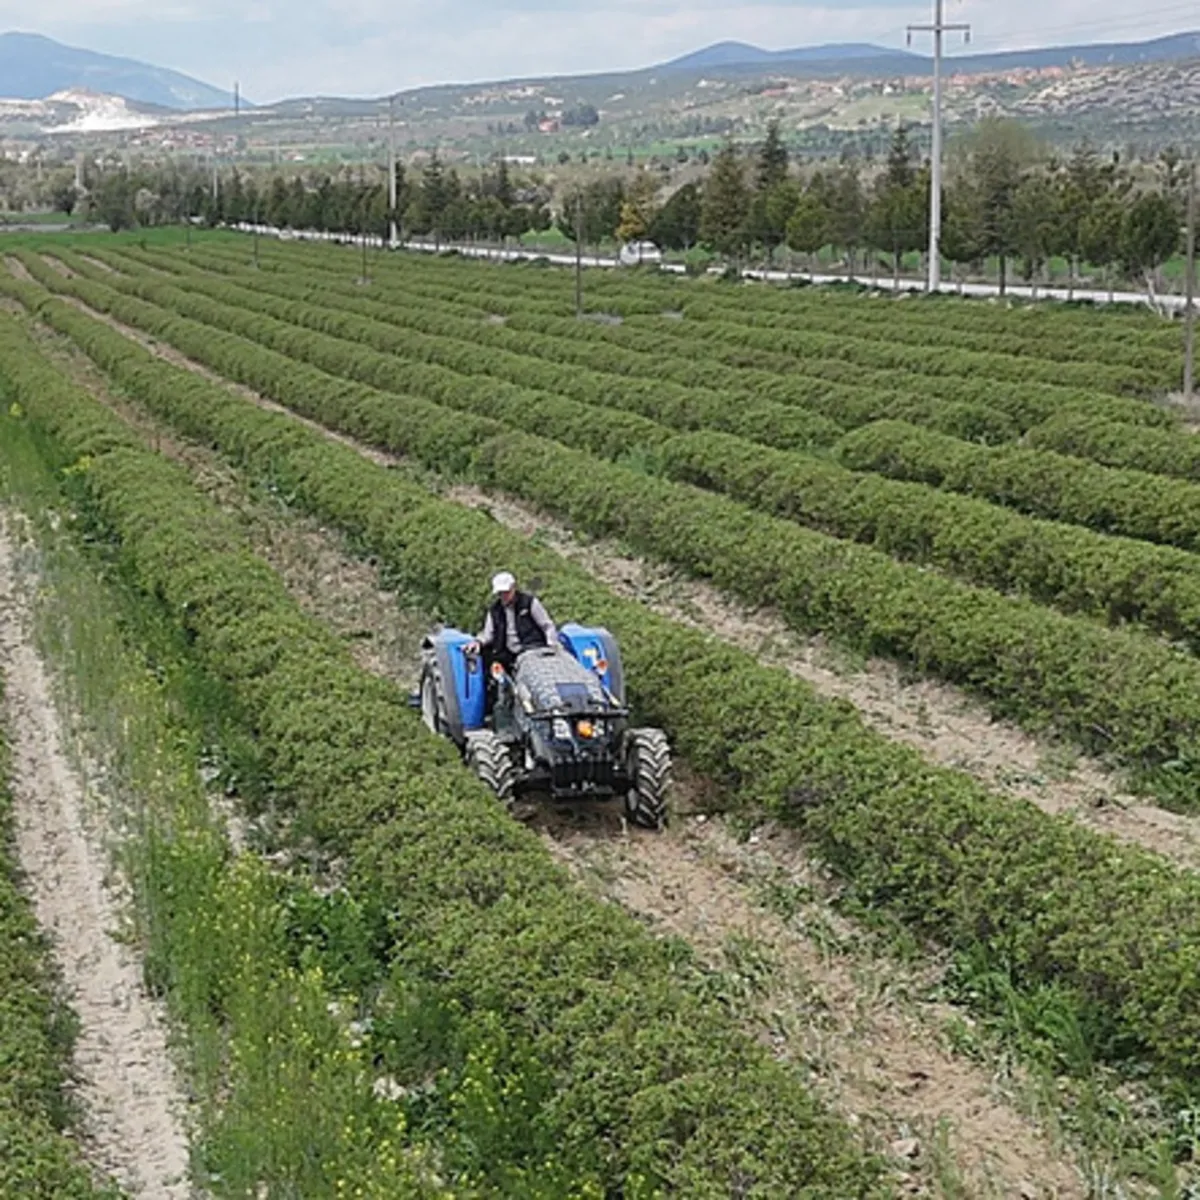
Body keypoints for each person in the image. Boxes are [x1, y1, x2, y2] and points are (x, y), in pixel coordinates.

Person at [467, 571, 558, 673]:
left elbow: (547, 626)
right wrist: (478, 642)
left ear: (513, 588)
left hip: (533, 650)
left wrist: (551, 646)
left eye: (506, 592)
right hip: (507, 655)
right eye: (501, 593)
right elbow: (488, 634)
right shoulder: (494, 610)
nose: (504, 596)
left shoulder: (530, 603)